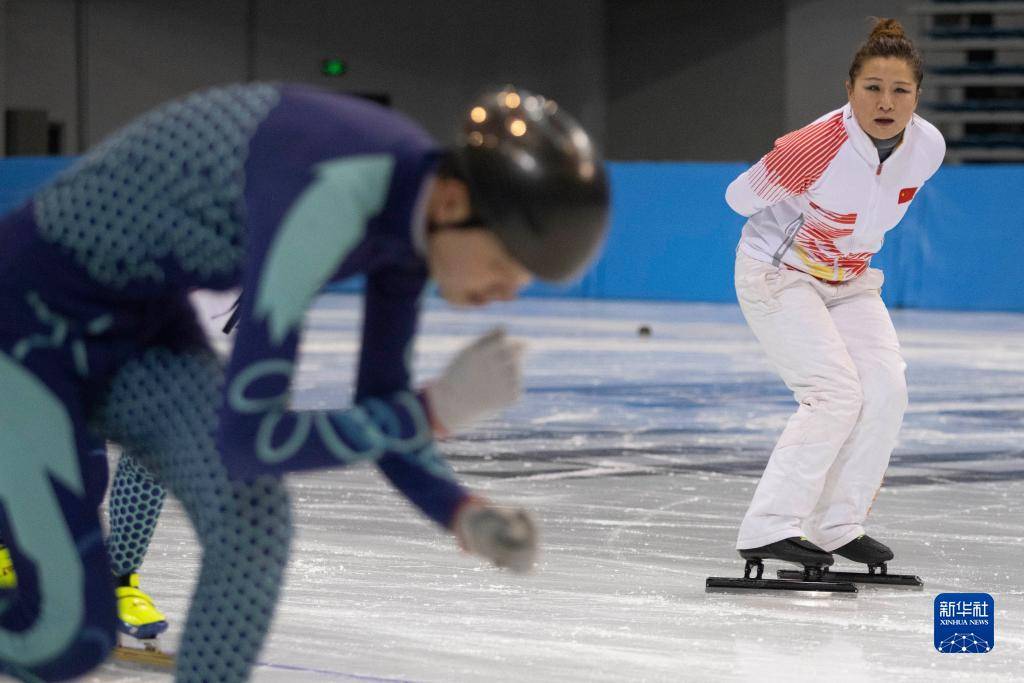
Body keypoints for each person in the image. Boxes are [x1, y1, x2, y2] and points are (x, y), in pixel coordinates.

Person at [0, 82, 608, 681]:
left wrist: (461, 512)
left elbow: (379, 407)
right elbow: (251, 439)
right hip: (24, 319)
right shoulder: (333, 190)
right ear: (453, 204)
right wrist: (433, 410)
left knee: (251, 526)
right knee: (65, 633)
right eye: (504, 266)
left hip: (136, 325)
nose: (505, 294)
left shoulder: (409, 218)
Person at [724, 19, 944, 573]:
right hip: (779, 274)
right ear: (849, 91)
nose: (886, 102)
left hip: (849, 282)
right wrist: (787, 180)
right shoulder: (816, 146)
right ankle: (769, 528)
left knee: (887, 389)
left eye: (900, 90)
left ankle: (835, 526)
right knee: (834, 393)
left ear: (917, 95)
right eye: (872, 87)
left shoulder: (928, 147)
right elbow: (737, 198)